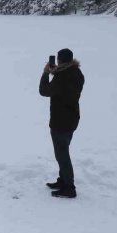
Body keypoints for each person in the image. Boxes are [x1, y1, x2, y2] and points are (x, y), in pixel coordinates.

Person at [39, 48, 85, 198]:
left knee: (62, 154)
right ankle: (63, 180)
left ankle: (69, 188)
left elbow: (44, 90)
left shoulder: (62, 77)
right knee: (63, 151)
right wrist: (56, 72)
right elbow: (63, 87)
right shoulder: (77, 73)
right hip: (71, 119)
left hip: (60, 121)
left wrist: (46, 73)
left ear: (60, 60)